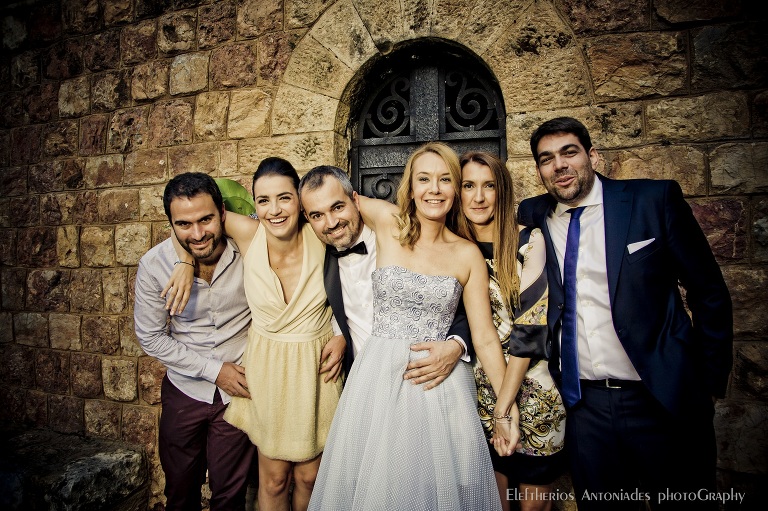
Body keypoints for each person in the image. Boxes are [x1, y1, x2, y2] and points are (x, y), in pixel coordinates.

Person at [517, 117, 733, 510]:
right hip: (585, 409)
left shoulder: (652, 201)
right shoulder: (533, 215)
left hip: (659, 398)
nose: (559, 165)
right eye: (547, 159)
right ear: (539, 171)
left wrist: (709, 383)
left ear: (593, 156)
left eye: (569, 152)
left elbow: (709, 292)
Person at [307, 142, 522, 511]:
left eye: (444, 180)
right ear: (410, 186)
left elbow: (485, 338)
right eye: (424, 179)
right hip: (377, 382)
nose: (433, 189)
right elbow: (331, 203)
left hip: (439, 387)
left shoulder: (467, 254)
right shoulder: (387, 221)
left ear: (456, 188)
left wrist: (506, 409)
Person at [165, 159, 345, 511]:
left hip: (317, 369)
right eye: (263, 200)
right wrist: (184, 261)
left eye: (284, 198)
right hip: (269, 369)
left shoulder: (321, 230)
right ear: (255, 204)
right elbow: (187, 218)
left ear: (301, 200)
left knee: (311, 477)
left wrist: (342, 334)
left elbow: (361, 278)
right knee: (274, 478)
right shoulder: (249, 233)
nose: (274, 210)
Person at [134, 172, 256, 511]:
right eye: (184, 224)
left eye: (206, 219)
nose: (198, 234)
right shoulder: (154, 265)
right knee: (180, 493)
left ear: (222, 212)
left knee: (230, 496)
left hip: (239, 394)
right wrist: (215, 371)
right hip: (184, 392)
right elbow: (150, 337)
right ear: (171, 224)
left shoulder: (249, 250)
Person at [457, 151, 566, 511]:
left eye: (489, 186)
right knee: (496, 503)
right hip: (477, 396)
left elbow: (531, 330)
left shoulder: (529, 241)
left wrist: (506, 408)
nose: (478, 197)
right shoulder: (452, 247)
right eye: (468, 186)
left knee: (534, 506)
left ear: (502, 191)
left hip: (534, 392)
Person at [298, 165, 471, 389]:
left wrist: (457, 344)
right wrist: (340, 333)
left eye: (338, 207)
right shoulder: (318, 255)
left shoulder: (400, 237)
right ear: (307, 218)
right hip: (364, 384)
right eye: (317, 215)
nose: (331, 223)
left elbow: (450, 295)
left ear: (355, 200)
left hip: (422, 379)